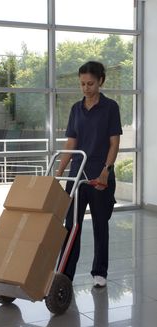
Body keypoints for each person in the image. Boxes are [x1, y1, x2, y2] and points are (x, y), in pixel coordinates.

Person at [56, 61, 122, 288]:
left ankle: (99, 272)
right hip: (77, 176)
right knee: (70, 225)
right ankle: (65, 273)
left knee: (100, 225)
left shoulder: (110, 107)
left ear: (101, 81)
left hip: (99, 175)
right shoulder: (76, 109)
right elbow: (71, 142)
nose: (86, 88)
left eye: (90, 83)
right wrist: (58, 173)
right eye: (82, 84)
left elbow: (114, 143)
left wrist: (107, 171)